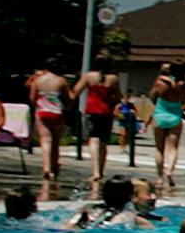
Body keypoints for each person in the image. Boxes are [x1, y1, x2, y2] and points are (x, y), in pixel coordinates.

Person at [77, 68, 120, 194]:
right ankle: (100, 171)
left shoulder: (88, 76)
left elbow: (76, 91)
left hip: (92, 110)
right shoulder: (113, 79)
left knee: (94, 140)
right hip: (106, 111)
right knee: (104, 142)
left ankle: (95, 171)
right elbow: (118, 96)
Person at [28, 67, 69, 198]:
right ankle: (54, 166)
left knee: (45, 140)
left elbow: (32, 98)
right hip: (56, 111)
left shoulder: (37, 80)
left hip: (42, 111)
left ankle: (46, 168)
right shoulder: (61, 81)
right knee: (56, 142)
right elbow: (67, 98)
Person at [148, 67, 185, 192]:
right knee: (173, 148)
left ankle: (160, 177)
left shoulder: (160, 83)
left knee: (159, 149)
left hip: (160, 114)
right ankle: (169, 170)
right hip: (175, 116)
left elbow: (152, 96)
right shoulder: (183, 86)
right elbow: (184, 101)